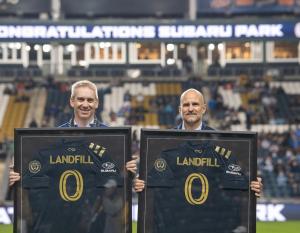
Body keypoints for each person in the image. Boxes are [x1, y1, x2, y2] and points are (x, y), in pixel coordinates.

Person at [134, 88, 263, 196]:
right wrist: (140, 183)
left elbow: (235, 180)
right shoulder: (165, 141)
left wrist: (252, 186)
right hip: (175, 216)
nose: (190, 109)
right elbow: (153, 179)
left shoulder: (219, 141)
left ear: (204, 109)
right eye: (186, 105)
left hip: (208, 217)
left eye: (195, 104)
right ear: (180, 110)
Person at [9, 80, 137, 186]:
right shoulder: (57, 135)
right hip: (64, 208)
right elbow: (44, 173)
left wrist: (130, 174)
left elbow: (116, 177)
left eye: (90, 100)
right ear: (72, 101)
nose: (85, 104)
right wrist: (20, 177)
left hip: (97, 210)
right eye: (80, 99)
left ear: (97, 103)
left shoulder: (111, 138)